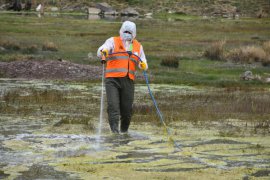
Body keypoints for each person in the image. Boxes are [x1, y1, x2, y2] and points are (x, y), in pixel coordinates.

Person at [97, 21, 148, 133]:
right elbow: (101, 50)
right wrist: (103, 51)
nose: (127, 34)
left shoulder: (138, 46)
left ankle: (124, 132)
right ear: (121, 31)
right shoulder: (112, 41)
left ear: (134, 33)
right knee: (113, 107)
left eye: (129, 32)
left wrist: (143, 65)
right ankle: (115, 133)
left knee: (127, 111)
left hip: (128, 82)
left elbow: (143, 62)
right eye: (125, 31)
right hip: (112, 80)